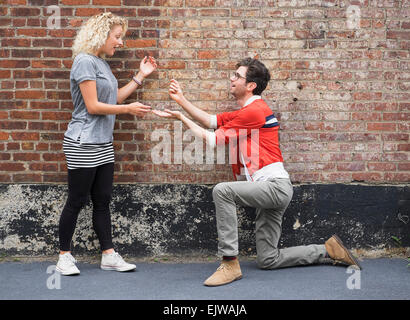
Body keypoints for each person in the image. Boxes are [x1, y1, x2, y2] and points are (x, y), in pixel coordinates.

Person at [153, 57, 361, 287]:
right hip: (270, 189)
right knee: (268, 259)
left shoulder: (254, 112)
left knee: (222, 191)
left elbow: (213, 140)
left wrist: (181, 118)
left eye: (237, 76)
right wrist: (181, 101)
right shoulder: (246, 111)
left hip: (274, 187)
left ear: (251, 85)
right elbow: (212, 121)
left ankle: (230, 263)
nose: (231, 79)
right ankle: (328, 251)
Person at [56, 12, 157, 275]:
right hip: (83, 142)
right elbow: (93, 106)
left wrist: (140, 76)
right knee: (76, 200)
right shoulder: (83, 62)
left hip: (102, 142)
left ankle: (108, 255)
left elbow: (114, 98)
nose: (120, 42)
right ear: (101, 35)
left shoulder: (101, 63)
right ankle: (64, 257)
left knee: (102, 200)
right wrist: (128, 111)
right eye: (117, 37)